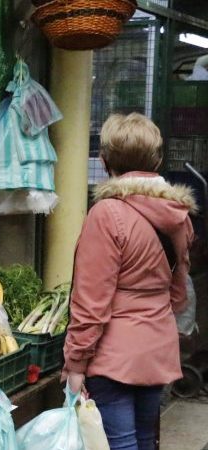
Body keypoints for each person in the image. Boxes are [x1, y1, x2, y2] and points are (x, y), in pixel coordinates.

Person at [62, 113, 195, 450]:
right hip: (157, 348)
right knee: (145, 441)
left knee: (118, 444)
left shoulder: (107, 215)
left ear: (104, 162)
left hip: (113, 357)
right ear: (159, 160)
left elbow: (91, 303)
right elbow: (179, 292)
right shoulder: (178, 214)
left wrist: (75, 365)